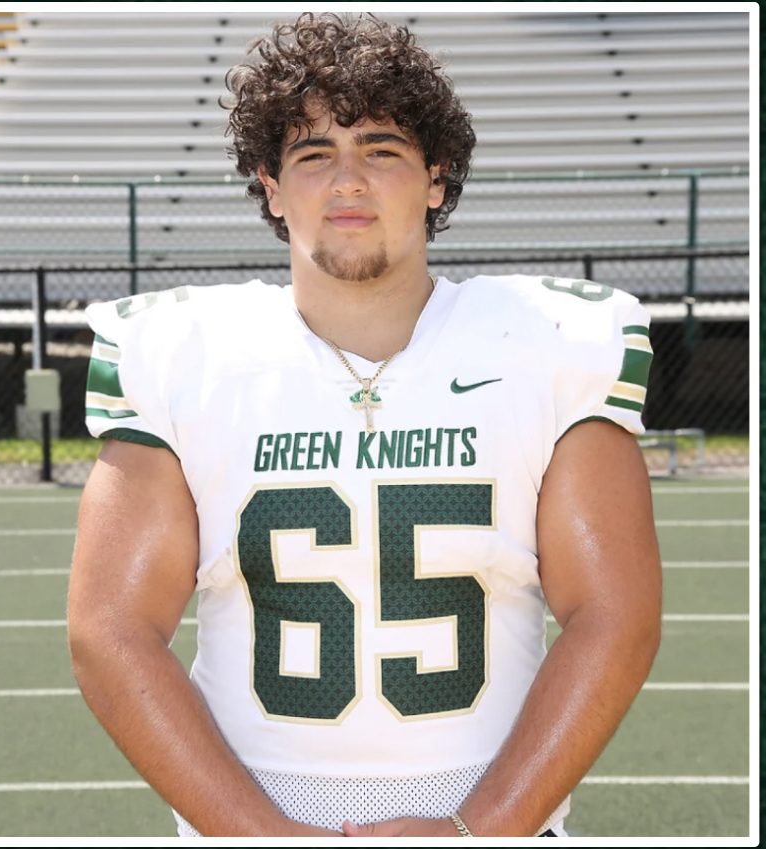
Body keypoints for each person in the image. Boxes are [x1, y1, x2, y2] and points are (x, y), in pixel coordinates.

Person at [67, 12, 661, 838]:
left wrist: (478, 828)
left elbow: (613, 614)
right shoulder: (183, 355)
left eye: (381, 150)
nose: (347, 180)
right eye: (313, 155)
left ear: (435, 179)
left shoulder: (550, 343)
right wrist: (265, 837)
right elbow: (110, 630)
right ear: (271, 187)